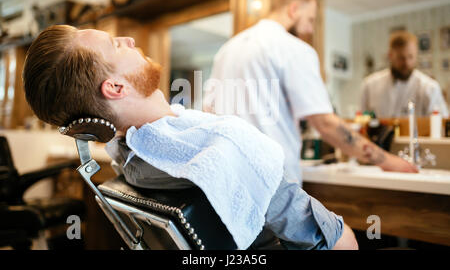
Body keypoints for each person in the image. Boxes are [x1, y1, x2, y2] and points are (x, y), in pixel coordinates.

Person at [22, 25, 358, 250]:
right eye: (114, 44)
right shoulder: (226, 148)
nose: (126, 39)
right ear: (115, 87)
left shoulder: (131, 157)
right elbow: (337, 244)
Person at [203, 0, 418, 185]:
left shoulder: (226, 50)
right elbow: (325, 123)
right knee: (341, 227)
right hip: (272, 183)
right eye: (311, 19)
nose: (310, 30)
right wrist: (388, 161)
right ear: (294, 9)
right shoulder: (293, 49)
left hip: (226, 179)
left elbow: (209, 112)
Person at [361, 30, 449, 118]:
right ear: (390, 56)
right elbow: (362, 120)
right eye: (401, 58)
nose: (407, 63)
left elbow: (442, 124)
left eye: (411, 56)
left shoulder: (430, 88)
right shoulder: (369, 85)